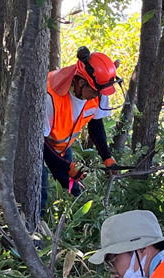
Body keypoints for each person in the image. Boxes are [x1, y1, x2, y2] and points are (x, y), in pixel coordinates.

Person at [42, 46, 121, 212]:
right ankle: (36, 228)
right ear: (81, 82)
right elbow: (39, 143)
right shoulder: (49, 96)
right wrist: (65, 166)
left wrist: (107, 157)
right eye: (95, 92)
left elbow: (96, 123)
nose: (97, 96)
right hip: (39, 146)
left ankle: (72, 224)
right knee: (39, 192)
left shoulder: (99, 91)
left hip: (63, 147)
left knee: (74, 192)